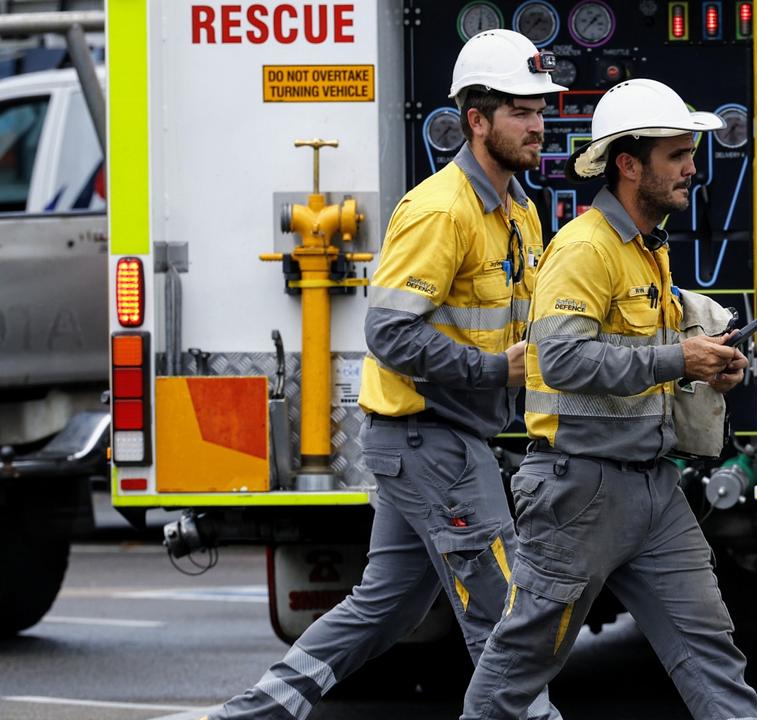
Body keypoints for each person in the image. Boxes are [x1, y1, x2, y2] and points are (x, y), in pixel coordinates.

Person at [207, 29, 565, 720]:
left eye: (539, 108)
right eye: (520, 110)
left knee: (384, 609)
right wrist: (494, 370)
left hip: (438, 439)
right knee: (506, 616)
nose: (538, 124)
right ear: (477, 120)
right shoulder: (441, 210)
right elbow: (389, 333)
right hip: (431, 440)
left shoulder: (518, 210)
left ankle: (249, 715)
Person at [459, 78, 757, 720]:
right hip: (579, 494)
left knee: (712, 653)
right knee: (519, 666)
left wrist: (706, 365)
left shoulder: (647, 248)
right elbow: (563, 359)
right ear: (629, 165)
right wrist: (680, 358)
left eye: (690, 152)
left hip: (653, 490)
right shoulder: (584, 248)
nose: (692, 168)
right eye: (676, 155)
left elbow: (640, 359)